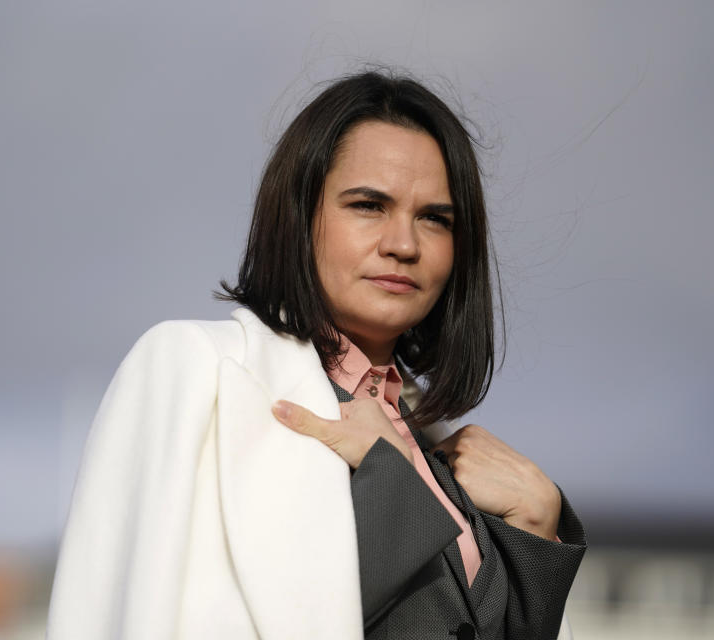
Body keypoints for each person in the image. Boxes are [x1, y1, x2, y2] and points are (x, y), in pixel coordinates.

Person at [46, 70, 586, 640]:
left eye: (435, 218)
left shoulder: (437, 444)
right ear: (299, 216)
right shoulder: (200, 370)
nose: (404, 244)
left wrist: (534, 527)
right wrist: (392, 482)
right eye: (368, 205)